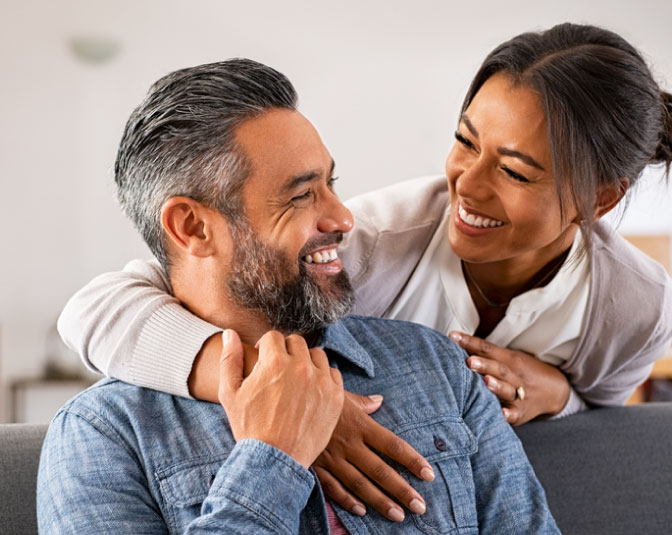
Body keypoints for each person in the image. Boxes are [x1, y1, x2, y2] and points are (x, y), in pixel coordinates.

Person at [58, 23, 672, 521]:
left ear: (599, 199)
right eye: (464, 141)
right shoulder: (368, 243)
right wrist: (289, 397)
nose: (465, 185)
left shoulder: (636, 306)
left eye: (516, 171)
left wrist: (560, 395)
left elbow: (603, 413)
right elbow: (103, 307)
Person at [38, 58, 559, 534]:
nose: (342, 218)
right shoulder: (102, 436)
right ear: (193, 227)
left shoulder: (440, 367)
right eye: (301, 195)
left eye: (331, 184)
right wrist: (271, 457)